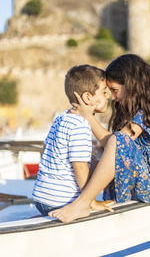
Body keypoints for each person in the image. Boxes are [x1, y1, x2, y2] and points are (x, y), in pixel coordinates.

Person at [48, 54, 150, 223]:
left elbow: (116, 143)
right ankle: (58, 200)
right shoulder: (127, 112)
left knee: (117, 140)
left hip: (149, 186)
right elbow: (114, 146)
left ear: (131, 85)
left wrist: (88, 117)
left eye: (114, 90)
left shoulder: (146, 115)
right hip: (130, 178)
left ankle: (82, 203)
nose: (113, 97)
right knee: (88, 158)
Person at [32, 64, 114, 215]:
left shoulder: (61, 118)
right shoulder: (80, 124)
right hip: (61, 200)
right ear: (88, 98)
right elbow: (80, 167)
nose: (108, 96)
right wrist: (90, 201)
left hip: (41, 197)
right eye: (104, 92)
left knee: (95, 160)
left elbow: (45, 150)